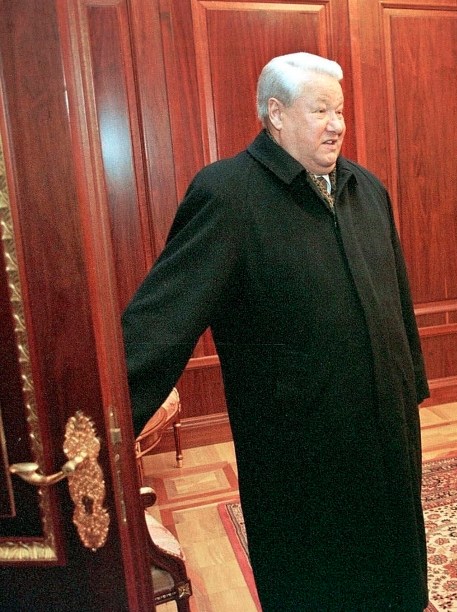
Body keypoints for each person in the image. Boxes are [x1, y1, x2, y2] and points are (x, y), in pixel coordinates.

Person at [122, 52, 430, 610]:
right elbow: (162, 318)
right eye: (321, 110)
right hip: (300, 451)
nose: (337, 124)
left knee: (394, 578)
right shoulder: (227, 194)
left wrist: (410, 388)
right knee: (316, 584)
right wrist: (104, 419)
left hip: (386, 431)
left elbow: (398, 304)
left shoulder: (366, 187)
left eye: (340, 110)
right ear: (276, 113)